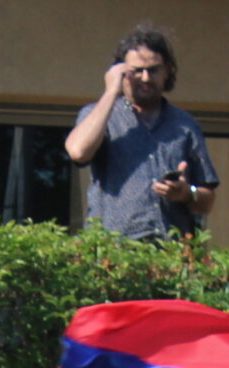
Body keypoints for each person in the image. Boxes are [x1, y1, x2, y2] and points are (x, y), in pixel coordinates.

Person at [64, 26, 216, 242]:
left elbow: (207, 200)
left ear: (167, 71)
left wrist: (186, 193)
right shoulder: (98, 115)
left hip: (170, 256)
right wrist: (110, 92)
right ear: (120, 71)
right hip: (114, 252)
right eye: (136, 70)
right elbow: (78, 152)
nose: (145, 78)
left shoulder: (185, 125)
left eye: (153, 70)